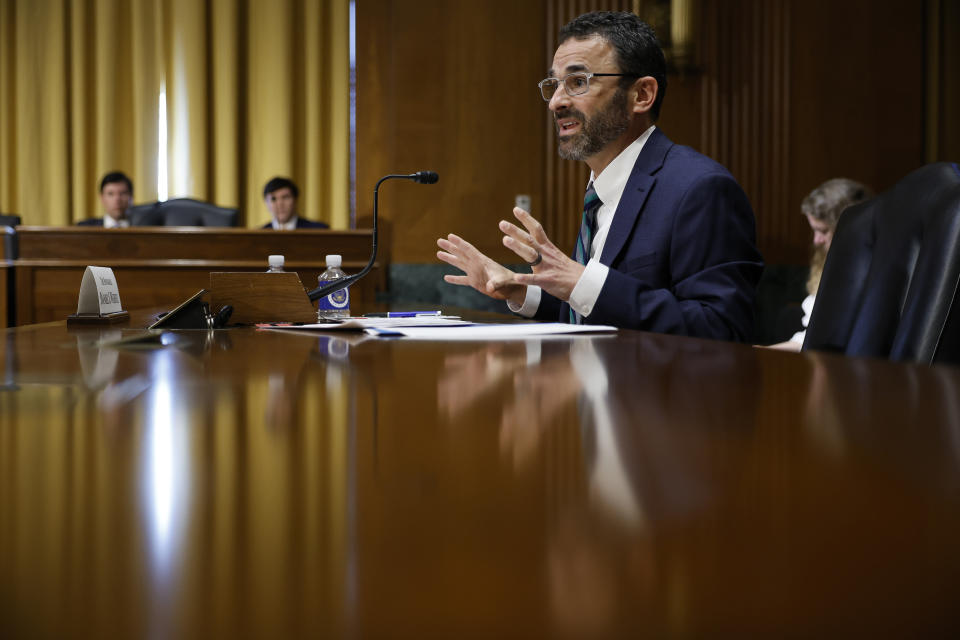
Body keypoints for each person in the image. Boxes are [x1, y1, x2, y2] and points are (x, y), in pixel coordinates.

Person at [436, 11, 762, 341]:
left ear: (642, 95)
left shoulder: (699, 188)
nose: (556, 102)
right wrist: (521, 289)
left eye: (578, 82)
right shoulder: (602, 190)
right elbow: (602, 309)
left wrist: (581, 282)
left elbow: (721, 329)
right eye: (555, 84)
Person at [772, 178, 873, 350]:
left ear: (849, 228)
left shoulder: (869, 271)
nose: (816, 240)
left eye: (823, 231)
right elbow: (807, 339)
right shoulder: (826, 260)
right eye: (814, 230)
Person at [261, 177, 328, 230]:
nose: (280, 204)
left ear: (295, 200)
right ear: (266, 202)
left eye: (285, 197)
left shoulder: (318, 231)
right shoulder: (258, 235)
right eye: (273, 199)